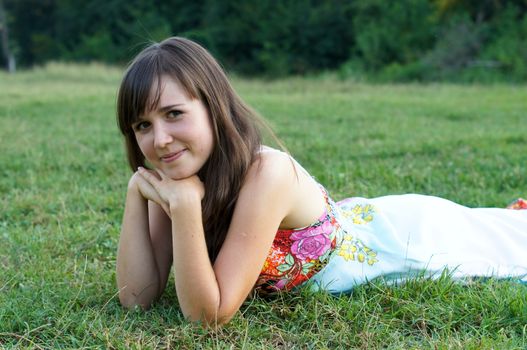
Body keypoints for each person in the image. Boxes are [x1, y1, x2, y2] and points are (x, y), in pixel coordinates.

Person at [115, 37, 527, 327]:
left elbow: (209, 316)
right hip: (362, 219)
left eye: (174, 114)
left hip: (397, 242)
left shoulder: (266, 173)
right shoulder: (172, 177)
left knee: (509, 242)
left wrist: (185, 209)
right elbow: (137, 299)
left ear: (213, 106)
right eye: (142, 125)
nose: (160, 139)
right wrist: (138, 193)